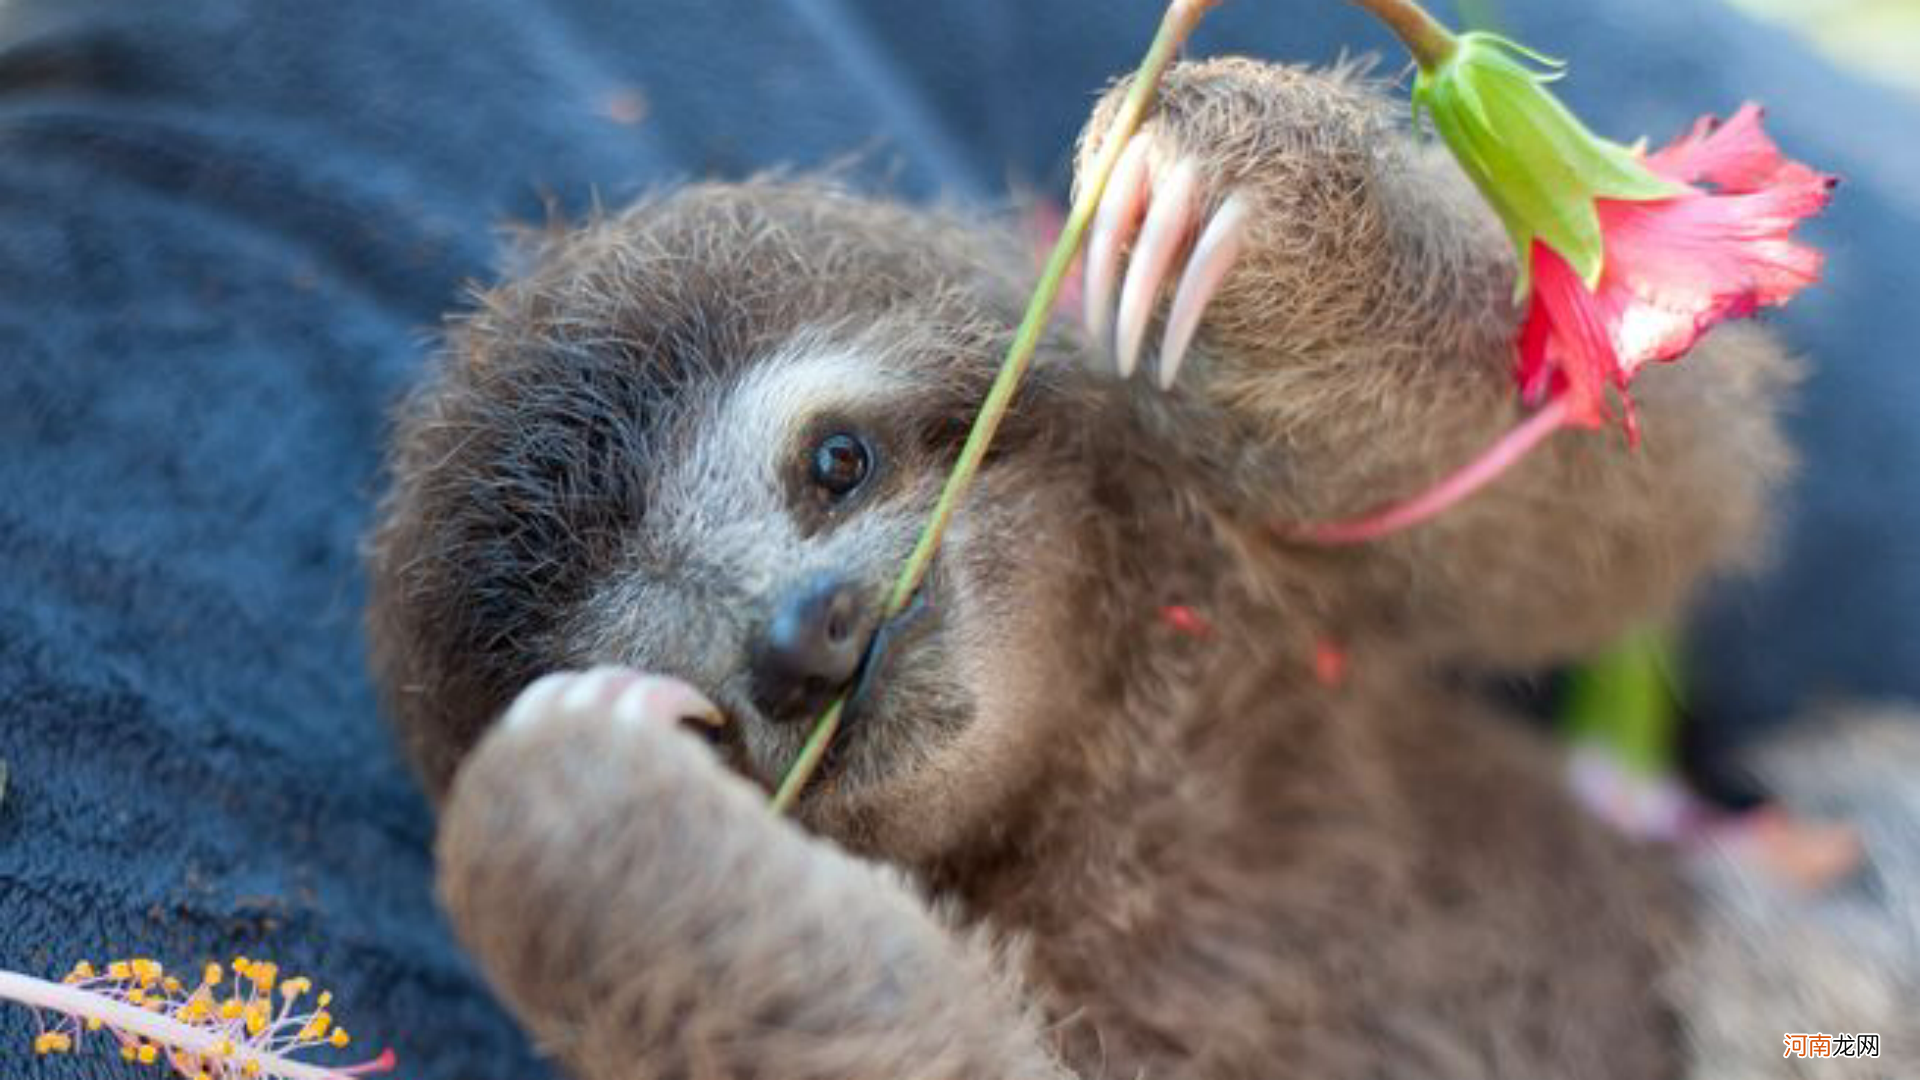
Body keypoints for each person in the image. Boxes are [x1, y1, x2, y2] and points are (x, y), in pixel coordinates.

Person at [0, 2, 1913, 1076]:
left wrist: (1344, 271)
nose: (807, 630)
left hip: (1780, 958)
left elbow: (1635, 554)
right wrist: (679, 958)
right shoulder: (925, 972)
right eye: (714, 717)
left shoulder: (1144, 458)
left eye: (829, 473)